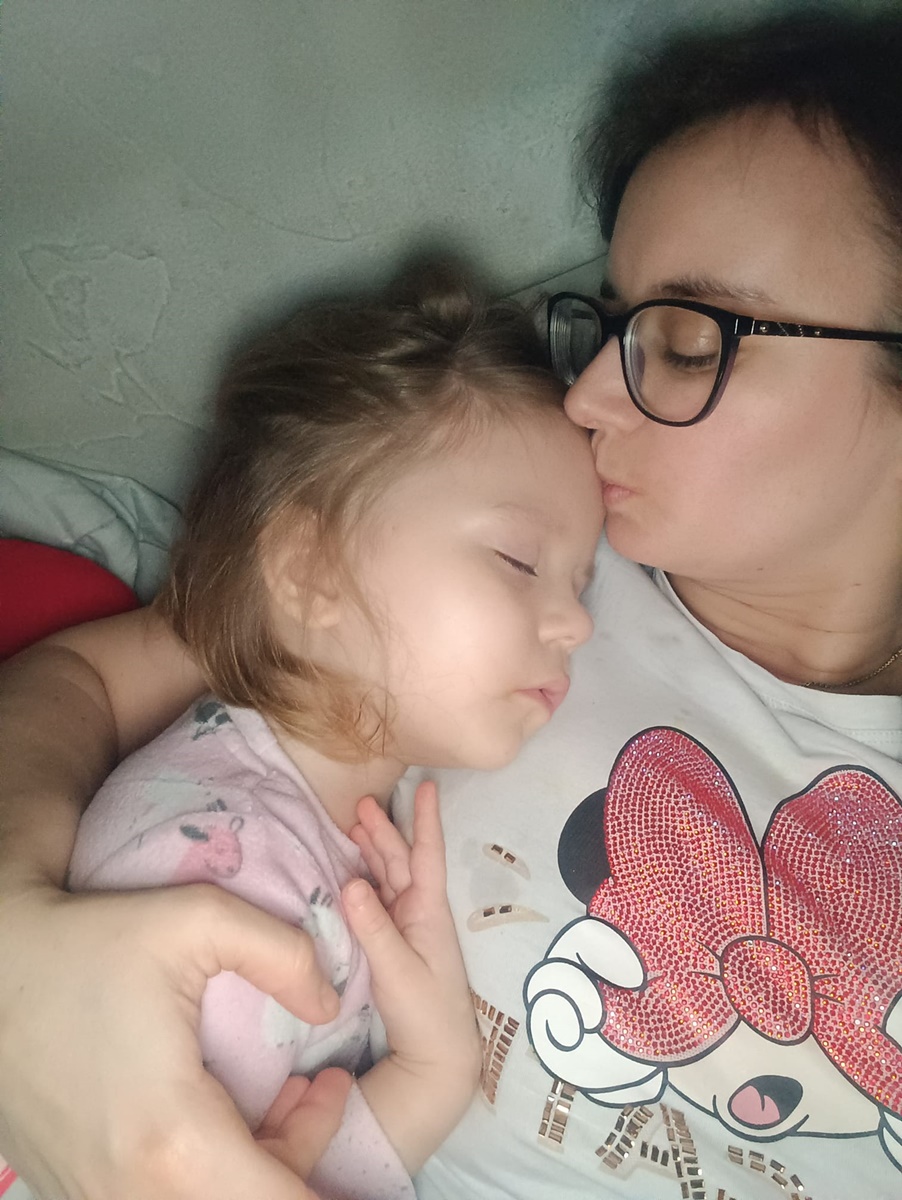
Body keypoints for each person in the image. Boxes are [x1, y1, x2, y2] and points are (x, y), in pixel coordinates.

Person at [1, 5, 902, 1198]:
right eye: (612, 326)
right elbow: (88, 676)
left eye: (687, 344)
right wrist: (18, 936)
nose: (586, 398)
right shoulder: (509, 519)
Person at [1, 265, 605, 1200]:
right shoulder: (211, 863)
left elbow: (271, 1161)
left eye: (582, 580)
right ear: (310, 573)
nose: (577, 624)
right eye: (520, 560)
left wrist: (436, 1068)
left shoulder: (287, 840)